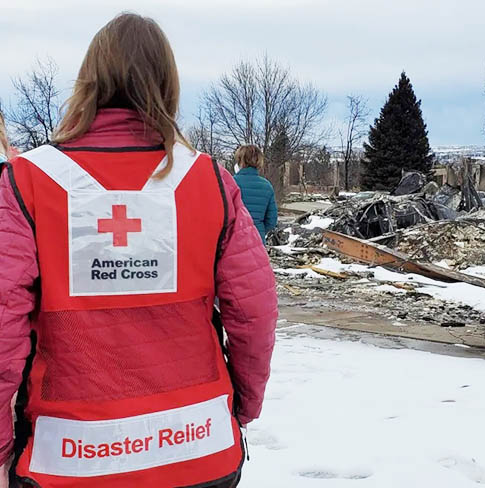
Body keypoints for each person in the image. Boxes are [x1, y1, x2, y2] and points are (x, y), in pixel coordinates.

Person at [0, 13, 277, 488]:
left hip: (68, 459)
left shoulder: (25, 182)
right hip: (200, 449)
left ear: (89, 81)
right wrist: (242, 408)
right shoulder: (209, 182)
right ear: (168, 84)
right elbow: (255, 312)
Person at [233, 145, 278, 243]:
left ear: (240, 160)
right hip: (257, 240)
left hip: (234, 241)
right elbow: (272, 220)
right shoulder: (267, 186)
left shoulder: (230, 183)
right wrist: (259, 229)